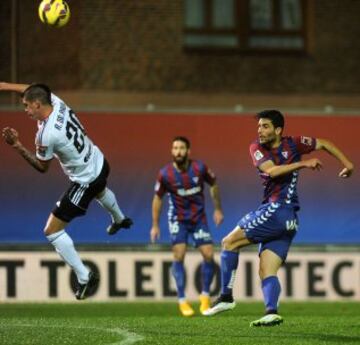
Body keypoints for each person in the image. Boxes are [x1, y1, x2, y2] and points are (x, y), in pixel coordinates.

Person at [204, 110, 354, 326]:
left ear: (278, 130)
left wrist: (347, 164)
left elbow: (324, 143)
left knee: (228, 243)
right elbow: (272, 171)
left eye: (265, 126)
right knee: (267, 269)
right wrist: (303, 163)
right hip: (289, 220)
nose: (260, 131)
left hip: (277, 211)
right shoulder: (256, 148)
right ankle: (271, 311)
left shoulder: (294, 143)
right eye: (258, 126)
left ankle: (226, 297)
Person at [1, 82, 133, 300]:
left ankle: (84, 276)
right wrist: (5, 85)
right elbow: (33, 88)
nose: (24, 109)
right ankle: (119, 219)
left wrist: (17, 145)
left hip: (85, 180)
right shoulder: (57, 103)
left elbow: (42, 167)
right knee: (101, 190)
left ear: (37, 104)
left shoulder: (46, 135)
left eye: (26, 105)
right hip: (99, 160)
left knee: (51, 230)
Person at [150, 136, 224, 316]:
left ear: (188, 151)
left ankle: (205, 297)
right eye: (175, 148)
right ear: (171, 151)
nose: (178, 152)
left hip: (198, 218)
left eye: (181, 148)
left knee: (208, 254)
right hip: (178, 219)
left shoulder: (200, 168)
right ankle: (182, 300)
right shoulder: (165, 174)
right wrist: (155, 225)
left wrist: (218, 209)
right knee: (179, 254)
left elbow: (213, 184)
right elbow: (157, 199)